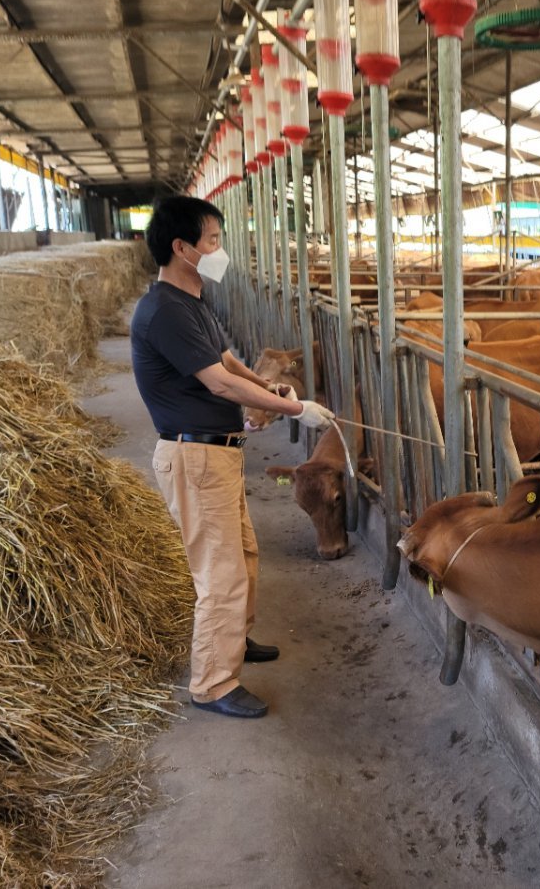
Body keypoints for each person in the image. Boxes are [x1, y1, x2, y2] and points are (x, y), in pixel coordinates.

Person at [131, 195, 335, 718]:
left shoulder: (188, 302)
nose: (221, 251)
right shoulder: (164, 311)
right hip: (193, 456)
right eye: (214, 241)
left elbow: (225, 361)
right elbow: (219, 384)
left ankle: (234, 644)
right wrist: (293, 410)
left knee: (242, 557)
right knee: (219, 573)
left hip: (214, 456)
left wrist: (274, 390)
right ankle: (213, 683)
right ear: (182, 247)